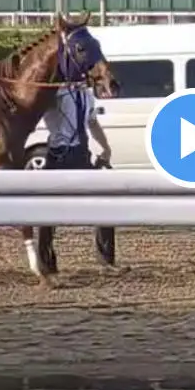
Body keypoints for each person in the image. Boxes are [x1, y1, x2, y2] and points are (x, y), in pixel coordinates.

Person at [35, 84, 116, 270]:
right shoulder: (55, 93)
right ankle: (46, 263)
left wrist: (105, 147)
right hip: (59, 155)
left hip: (81, 153)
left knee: (104, 203)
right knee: (47, 211)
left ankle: (107, 260)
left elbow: (92, 122)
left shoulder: (86, 94)